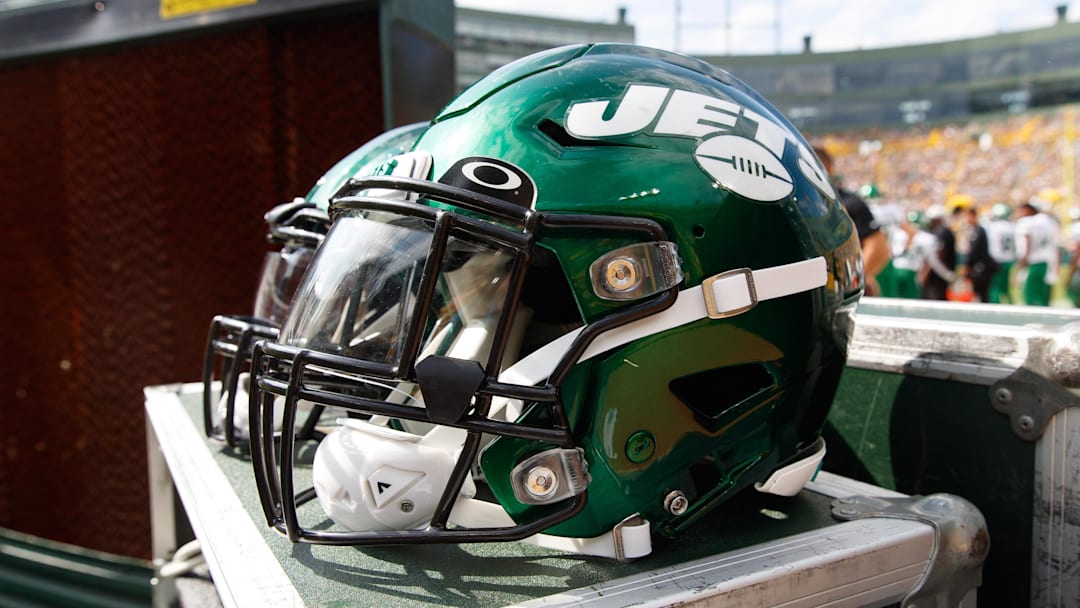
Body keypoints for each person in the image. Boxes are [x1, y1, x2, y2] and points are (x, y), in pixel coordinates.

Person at [813, 146, 891, 296]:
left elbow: (879, 248)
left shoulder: (849, 203)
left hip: (841, 295)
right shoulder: (801, 205)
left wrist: (851, 284)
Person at [1014, 201, 1060, 306]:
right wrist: (1057, 264)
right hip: (1048, 262)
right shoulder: (1050, 222)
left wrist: (1022, 262)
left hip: (1033, 262)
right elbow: (1056, 245)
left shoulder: (1026, 222)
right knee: (1044, 297)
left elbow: (1027, 242)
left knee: (1030, 296)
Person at [957, 205, 996, 302]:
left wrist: (967, 265)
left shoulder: (977, 231)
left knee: (981, 295)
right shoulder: (977, 230)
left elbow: (973, 252)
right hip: (981, 268)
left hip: (980, 269)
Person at [920, 205, 957, 300]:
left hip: (937, 275)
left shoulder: (941, 231)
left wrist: (926, 272)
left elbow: (937, 255)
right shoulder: (938, 231)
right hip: (937, 274)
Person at [985, 202, 1016, 303]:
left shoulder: (992, 227)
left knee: (995, 288)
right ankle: (1010, 306)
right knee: (1005, 289)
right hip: (1008, 260)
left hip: (996, 260)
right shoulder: (1012, 227)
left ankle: (995, 308)